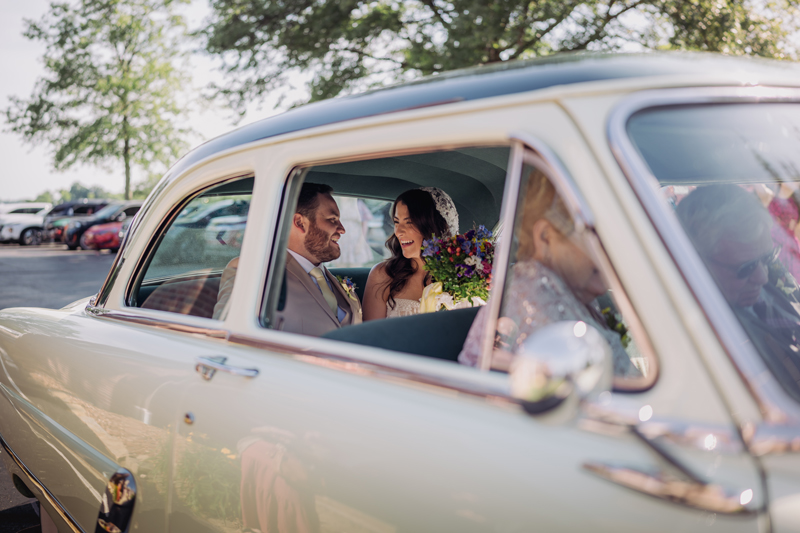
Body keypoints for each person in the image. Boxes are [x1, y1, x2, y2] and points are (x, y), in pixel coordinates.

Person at [458, 170, 641, 378]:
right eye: (596, 236)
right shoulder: (533, 303)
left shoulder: (567, 290)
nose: (612, 254)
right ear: (545, 237)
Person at [677, 184, 800, 389]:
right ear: (698, 264)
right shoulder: (705, 342)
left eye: (768, 258)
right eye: (746, 268)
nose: (762, 278)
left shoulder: (768, 289)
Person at [215, 183, 362, 335]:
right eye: (332, 219)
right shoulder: (252, 270)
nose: (342, 229)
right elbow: (227, 337)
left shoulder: (330, 279)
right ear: (300, 223)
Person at [362, 188, 458, 320]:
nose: (398, 232)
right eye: (397, 222)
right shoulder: (382, 275)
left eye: (409, 222)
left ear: (432, 226)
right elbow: (371, 332)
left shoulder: (462, 277)